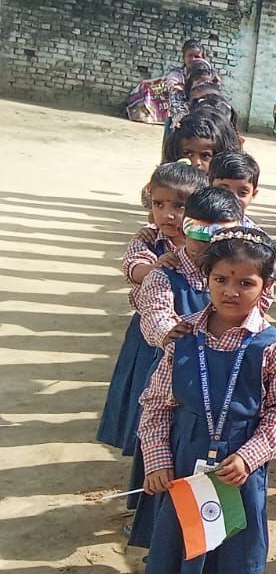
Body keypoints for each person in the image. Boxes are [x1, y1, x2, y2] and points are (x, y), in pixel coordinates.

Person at [138, 227, 276, 574]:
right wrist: (156, 460)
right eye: (221, 279)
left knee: (234, 552)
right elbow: (155, 404)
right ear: (206, 279)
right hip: (183, 461)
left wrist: (248, 458)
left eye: (246, 283)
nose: (231, 291)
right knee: (179, 543)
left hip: (238, 467)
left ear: (266, 287)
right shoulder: (183, 337)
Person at [128, 186, 248, 548]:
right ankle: (156, 534)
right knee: (165, 459)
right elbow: (155, 320)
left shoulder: (240, 272)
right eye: (198, 230)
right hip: (177, 377)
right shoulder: (165, 274)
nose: (207, 243)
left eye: (219, 234)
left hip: (226, 379)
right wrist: (180, 334)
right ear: (184, 224)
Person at [98, 162, 206, 451]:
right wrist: (156, 269)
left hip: (194, 334)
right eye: (159, 204)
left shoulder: (205, 243)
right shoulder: (148, 238)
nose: (167, 214)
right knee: (150, 395)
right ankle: (146, 450)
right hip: (152, 336)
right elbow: (132, 267)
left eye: (179, 206)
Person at [161, 39, 206, 143]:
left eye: (197, 56)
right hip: (177, 123)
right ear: (183, 58)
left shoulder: (208, 77)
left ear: (203, 58)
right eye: (190, 55)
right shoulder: (175, 75)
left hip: (201, 124)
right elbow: (176, 100)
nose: (193, 59)